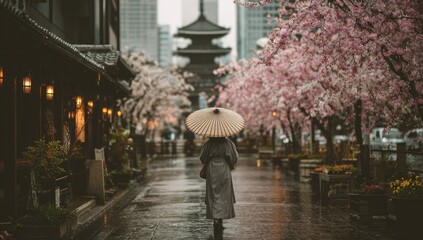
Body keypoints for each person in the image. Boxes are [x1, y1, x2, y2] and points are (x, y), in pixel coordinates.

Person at [199, 137, 238, 234]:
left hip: (212, 168)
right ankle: (220, 221)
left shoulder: (208, 143)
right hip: (224, 168)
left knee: (213, 194)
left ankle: (215, 219)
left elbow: (203, 158)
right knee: (223, 195)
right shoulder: (228, 143)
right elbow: (234, 157)